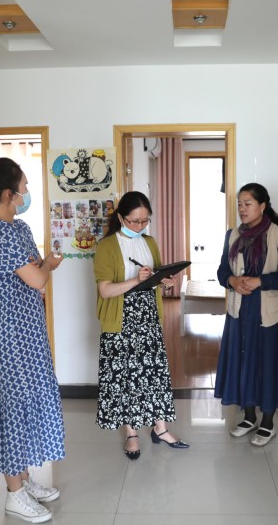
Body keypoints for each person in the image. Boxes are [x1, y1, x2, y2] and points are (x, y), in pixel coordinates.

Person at [0, 150, 64, 523]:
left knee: (32, 399)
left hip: (30, 328)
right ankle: (14, 493)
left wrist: (44, 266)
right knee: (14, 406)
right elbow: (37, 278)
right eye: (24, 187)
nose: (27, 192)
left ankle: (25, 481)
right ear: (8, 194)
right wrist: (48, 267)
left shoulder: (20, 228)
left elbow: (34, 271)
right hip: (10, 333)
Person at [93, 191, 188, 460]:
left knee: (154, 372)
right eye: (134, 221)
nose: (139, 226)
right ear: (121, 217)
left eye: (145, 221)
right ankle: (132, 434)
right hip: (121, 318)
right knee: (126, 377)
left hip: (148, 316)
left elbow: (153, 278)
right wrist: (136, 280)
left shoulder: (150, 242)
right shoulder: (107, 246)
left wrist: (163, 281)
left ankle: (160, 428)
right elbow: (105, 290)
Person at [215, 183, 278, 447]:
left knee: (267, 366)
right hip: (238, 312)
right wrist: (232, 281)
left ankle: (268, 423)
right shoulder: (232, 235)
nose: (242, 209)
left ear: (262, 206)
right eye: (239, 204)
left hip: (267, 315)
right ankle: (249, 418)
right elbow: (222, 271)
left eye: (247, 203)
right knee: (243, 364)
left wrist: (259, 281)